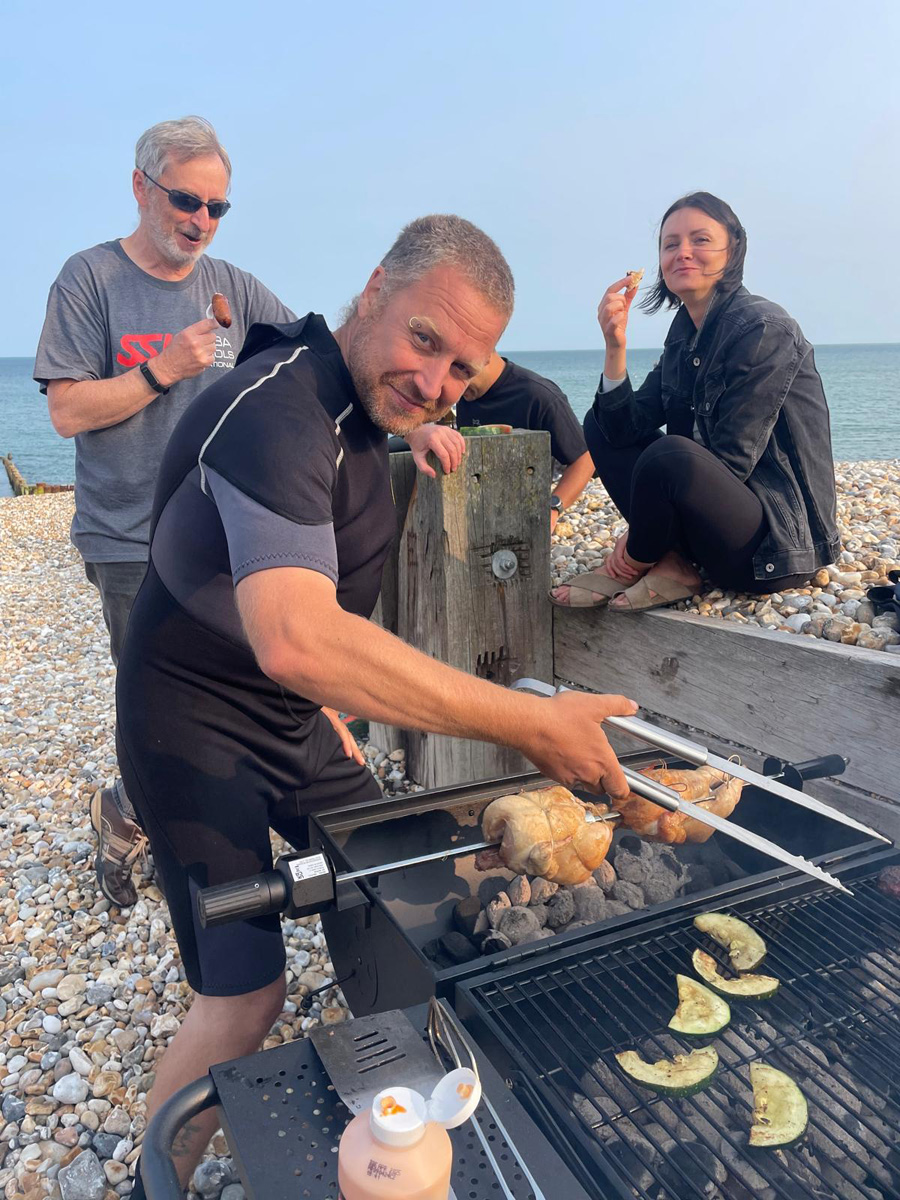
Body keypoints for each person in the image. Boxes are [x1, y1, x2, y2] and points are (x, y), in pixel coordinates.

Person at [113, 214, 636, 1194]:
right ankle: (152, 1183)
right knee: (246, 996)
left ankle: (416, 1117)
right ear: (374, 288)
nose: (435, 380)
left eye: (462, 370)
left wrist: (415, 428)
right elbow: (296, 637)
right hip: (188, 721)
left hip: (292, 712)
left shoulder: (361, 406)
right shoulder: (271, 411)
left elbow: (361, 439)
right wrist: (529, 723)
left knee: (410, 885)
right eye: (423, 341)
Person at [551, 192, 839, 610]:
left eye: (700, 240)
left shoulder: (764, 328)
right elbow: (623, 428)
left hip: (772, 549)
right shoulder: (684, 336)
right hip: (711, 535)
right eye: (671, 244)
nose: (682, 252)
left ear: (733, 250)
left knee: (671, 454)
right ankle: (674, 564)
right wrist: (615, 346)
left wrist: (638, 540)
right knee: (602, 423)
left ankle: (632, 566)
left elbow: (731, 460)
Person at [456, 351, 596, 530]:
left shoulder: (539, 395)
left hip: (525, 521)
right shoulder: (462, 392)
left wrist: (553, 508)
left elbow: (585, 459)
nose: (449, 388)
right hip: (472, 518)